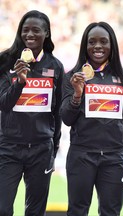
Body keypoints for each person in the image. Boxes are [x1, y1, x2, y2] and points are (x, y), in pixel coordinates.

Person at [60, 21, 123, 216]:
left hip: (114, 158)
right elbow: (67, 119)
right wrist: (77, 94)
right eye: (92, 42)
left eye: (104, 41)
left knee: (111, 212)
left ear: (112, 46)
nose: (97, 46)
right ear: (85, 46)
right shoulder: (73, 76)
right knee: (77, 211)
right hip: (82, 155)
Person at [0, 10, 64, 216]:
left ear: (46, 33)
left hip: (41, 149)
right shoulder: (6, 62)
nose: (29, 34)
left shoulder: (55, 66)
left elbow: (57, 112)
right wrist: (19, 81)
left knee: (35, 211)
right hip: (9, 148)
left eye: (35, 30)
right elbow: (3, 104)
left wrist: (54, 148)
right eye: (25, 30)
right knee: (2, 207)